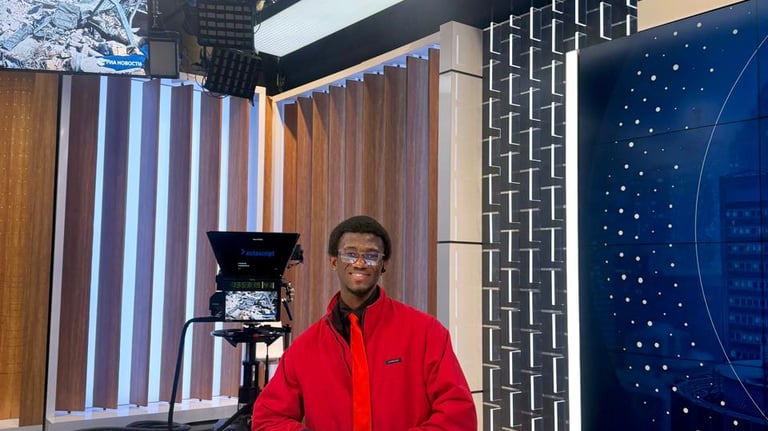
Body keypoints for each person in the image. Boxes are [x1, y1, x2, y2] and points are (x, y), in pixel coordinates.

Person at [250, 215, 477, 431]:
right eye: (350, 254)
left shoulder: (426, 333)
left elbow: (458, 415)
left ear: (383, 264)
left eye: (371, 256)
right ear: (333, 261)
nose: (360, 263)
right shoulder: (304, 349)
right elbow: (268, 419)